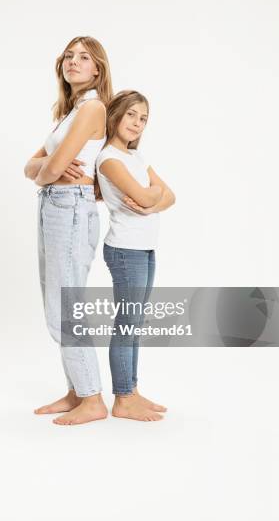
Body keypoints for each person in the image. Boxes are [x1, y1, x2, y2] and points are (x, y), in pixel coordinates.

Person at [24, 36, 113, 425]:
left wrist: (45, 171)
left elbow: (49, 168)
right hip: (56, 206)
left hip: (71, 208)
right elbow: (33, 166)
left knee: (65, 305)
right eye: (69, 56)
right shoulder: (69, 112)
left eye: (84, 58)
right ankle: (77, 391)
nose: (73, 62)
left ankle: (93, 399)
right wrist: (44, 172)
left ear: (98, 69)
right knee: (55, 301)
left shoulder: (92, 107)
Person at [96, 90, 176, 421]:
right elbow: (147, 195)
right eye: (131, 114)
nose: (137, 123)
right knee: (127, 323)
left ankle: (131, 389)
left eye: (143, 118)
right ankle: (123, 398)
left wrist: (152, 199)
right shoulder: (110, 159)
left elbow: (169, 196)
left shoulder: (137, 159)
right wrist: (152, 197)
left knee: (135, 323)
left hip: (144, 248)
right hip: (125, 251)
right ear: (115, 114)